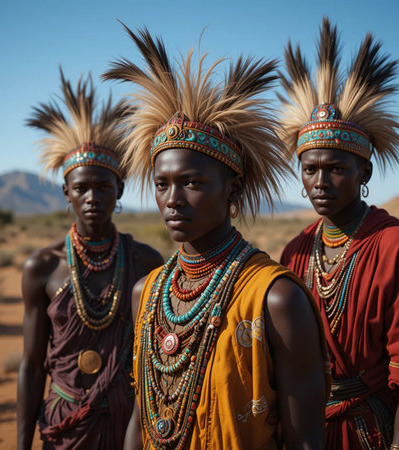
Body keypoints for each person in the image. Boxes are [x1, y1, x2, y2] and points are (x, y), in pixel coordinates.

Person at [102, 26, 331, 450]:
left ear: (234, 190)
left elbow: (307, 441)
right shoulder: (146, 292)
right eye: (161, 183)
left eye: (191, 182)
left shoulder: (275, 299)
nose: (172, 200)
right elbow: (141, 416)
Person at [279, 19, 399, 450]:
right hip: (306, 432)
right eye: (310, 169)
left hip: (374, 432)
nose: (321, 181)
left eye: (336, 169)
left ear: (364, 171)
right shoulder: (297, 251)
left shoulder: (396, 249)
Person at [17, 69, 163, 450]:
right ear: (66, 192)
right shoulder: (42, 267)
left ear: (120, 191)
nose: (92, 197)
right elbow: (32, 366)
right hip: (65, 421)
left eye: (103, 187)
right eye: (81, 188)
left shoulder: (146, 261)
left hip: (127, 422)